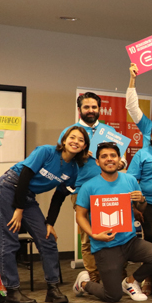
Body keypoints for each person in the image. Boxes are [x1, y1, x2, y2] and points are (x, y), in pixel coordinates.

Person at [0, 126, 88, 303]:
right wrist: (19, 208)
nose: (76, 141)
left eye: (81, 140)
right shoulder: (46, 151)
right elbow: (25, 176)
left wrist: (50, 223)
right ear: (64, 139)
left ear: (84, 146)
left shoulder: (73, 170)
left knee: (48, 239)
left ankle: (52, 289)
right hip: (8, 187)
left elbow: (59, 197)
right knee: (9, 241)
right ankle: (12, 292)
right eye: (72, 137)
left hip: (28, 197)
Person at [73, 142, 152, 303]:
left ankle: (130, 282)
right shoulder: (88, 186)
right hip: (105, 245)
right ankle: (83, 284)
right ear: (97, 162)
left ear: (119, 159)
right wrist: (94, 235)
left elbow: (140, 207)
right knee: (112, 296)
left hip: (129, 241)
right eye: (104, 156)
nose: (109, 159)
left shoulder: (130, 180)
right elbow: (80, 216)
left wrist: (142, 200)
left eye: (113, 155)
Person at [59, 91, 124, 283]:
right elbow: (60, 160)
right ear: (79, 109)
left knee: (115, 232)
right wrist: (80, 155)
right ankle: (94, 277)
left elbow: (121, 159)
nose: (90, 110)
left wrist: (121, 164)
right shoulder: (71, 133)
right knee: (88, 236)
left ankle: (118, 274)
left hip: (110, 188)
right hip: (82, 190)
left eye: (94, 107)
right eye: (86, 107)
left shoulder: (109, 131)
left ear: (99, 109)